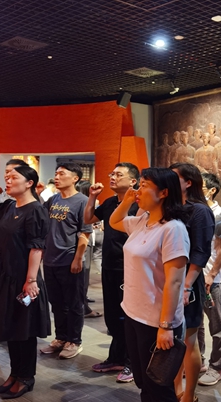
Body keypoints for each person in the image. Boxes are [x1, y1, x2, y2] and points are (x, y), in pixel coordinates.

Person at [108, 167, 190, 402]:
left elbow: (174, 281)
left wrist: (166, 326)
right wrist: (126, 200)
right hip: (134, 313)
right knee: (143, 382)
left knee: (159, 388)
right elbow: (114, 221)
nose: (138, 191)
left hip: (156, 321)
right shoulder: (143, 220)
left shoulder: (173, 229)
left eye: (144, 186)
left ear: (163, 192)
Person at [0, 165, 51, 399]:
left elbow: (36, 248)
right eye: (6, 177)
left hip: (21, 278)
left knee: (24, 330)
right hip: (3, 275)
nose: (7, 181)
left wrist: (31, 280)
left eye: (13, 177)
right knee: (10, 328)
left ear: (29, 183)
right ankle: (15, 373)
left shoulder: (36, 210)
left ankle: (26, 377)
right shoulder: (9, 206)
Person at [85, 162, 140, 384]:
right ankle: (116, 357)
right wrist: (92, 197)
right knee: (112, 316)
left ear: (133, 181)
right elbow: (88, 219)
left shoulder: (139, 204)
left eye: (119, 174)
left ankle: (132, 363)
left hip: (129, 268)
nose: (113, 177)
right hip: (110, 266)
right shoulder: (109, 203)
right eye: (112, 173)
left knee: (128, 317)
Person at [169, 163, 215, 402]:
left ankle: (189, 395)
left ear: (189, 182)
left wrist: (187, 286)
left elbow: (200, 252)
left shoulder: (200, 210)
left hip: (188, 282)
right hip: (171, 280)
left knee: (188, 340)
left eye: (174, 177)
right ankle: (176, 390)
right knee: (174, 339)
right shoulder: (172, 207)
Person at [39, 163, 92, 359]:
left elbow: (85, 233)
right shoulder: (53, 199)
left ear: (75, 178)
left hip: (69, 259)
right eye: (56, 173)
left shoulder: (82, 201)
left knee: (74, 303)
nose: (57, 177)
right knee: (56, 302)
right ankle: (61, 337)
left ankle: (74, 341)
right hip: (50, 260)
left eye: (62, 174)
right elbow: (40, 218)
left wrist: (78, 259)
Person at [197, 173, 221, 386]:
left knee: (217, 326)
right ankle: (197, 360)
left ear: (211, 190)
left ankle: (217, 367)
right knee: (195, 323)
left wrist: (212, 274)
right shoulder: (194, 210)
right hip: (194, 277)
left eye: (199, 186)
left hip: (213, 279)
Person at [75, 180, 103, 319]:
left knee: (83, 275)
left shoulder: (81, 202)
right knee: (83, 276)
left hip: (85, 240)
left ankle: (83, 304)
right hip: (86, 240)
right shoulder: (87, 203)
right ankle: (83, 307)